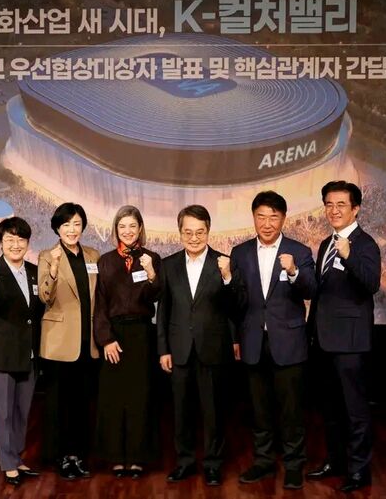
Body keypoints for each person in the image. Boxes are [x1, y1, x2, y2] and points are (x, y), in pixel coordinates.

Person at [230, 191, 316, 489]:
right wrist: (235, 339)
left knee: (291, 410)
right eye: (261, 217)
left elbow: (311, 290)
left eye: (273, 217)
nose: (267, 224)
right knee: (259, 408)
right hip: (253, 341)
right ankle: (263, 461)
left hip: (288, 342)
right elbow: (236, 303)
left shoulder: (299, 251)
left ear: (283, 219)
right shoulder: (240, 253)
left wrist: (293, 271)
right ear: (254, 218)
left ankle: (293, 464)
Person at [157, 204, 241, 487]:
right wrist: (163, 349)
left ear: (208, 231)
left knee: (213, 411)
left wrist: (228, 278)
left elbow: (236, 307)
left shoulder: (223, 263)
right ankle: (184, 462)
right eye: (188, 232)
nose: (194, 238)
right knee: (181, 412)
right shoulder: (168, 265)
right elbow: (164, 311)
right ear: (180, 233)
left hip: (213, 349)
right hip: (179, 349)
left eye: (200, 232)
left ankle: (213, 464)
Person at [305, 181, 381, 493]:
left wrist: (349, 256)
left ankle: (359, 471)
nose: (333, 210)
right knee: (331, 409)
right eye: (329, 204)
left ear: (355, 209)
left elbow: (371, 284)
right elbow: (322, 293)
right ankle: (335, 462)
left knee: (355, 411)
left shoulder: (365, 244)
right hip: (323, 341)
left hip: (350, 343)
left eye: (341, 205)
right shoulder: (327, 242)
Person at [0, 217, 44, 486]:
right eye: (10, 240)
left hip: (28, 354)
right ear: (0, 243)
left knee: (22, 412)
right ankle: (7, 463)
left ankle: (17, 457)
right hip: (0, 354)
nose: (16, 245)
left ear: (28, 243)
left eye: (21, 239)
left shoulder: (35, 271)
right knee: (3, 412)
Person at [93, 206, 162, 478]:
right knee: (113, 397)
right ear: (116, 230)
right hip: (114, 335)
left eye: (132, 226)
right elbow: (100, 304)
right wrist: (106, 339)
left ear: (140, 228)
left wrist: (152, 273)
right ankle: (116, 457)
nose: (128, 231)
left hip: (142, 334)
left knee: (140, 396)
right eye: (122, 226)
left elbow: (157, 296)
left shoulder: (152, 258)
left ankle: (136, 457)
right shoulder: (106, 261)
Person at [37, 203, 101, 480]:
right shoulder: (47, 256)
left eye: (76, 224)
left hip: (88, 342)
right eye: (66, 225)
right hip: (59, 342)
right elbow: (44, 296)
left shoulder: (93, 255)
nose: (72, 230)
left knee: (82, 403)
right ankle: (61, 457)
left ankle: (79, 456)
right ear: (57, 228)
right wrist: (53, 269)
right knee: (59, 405)